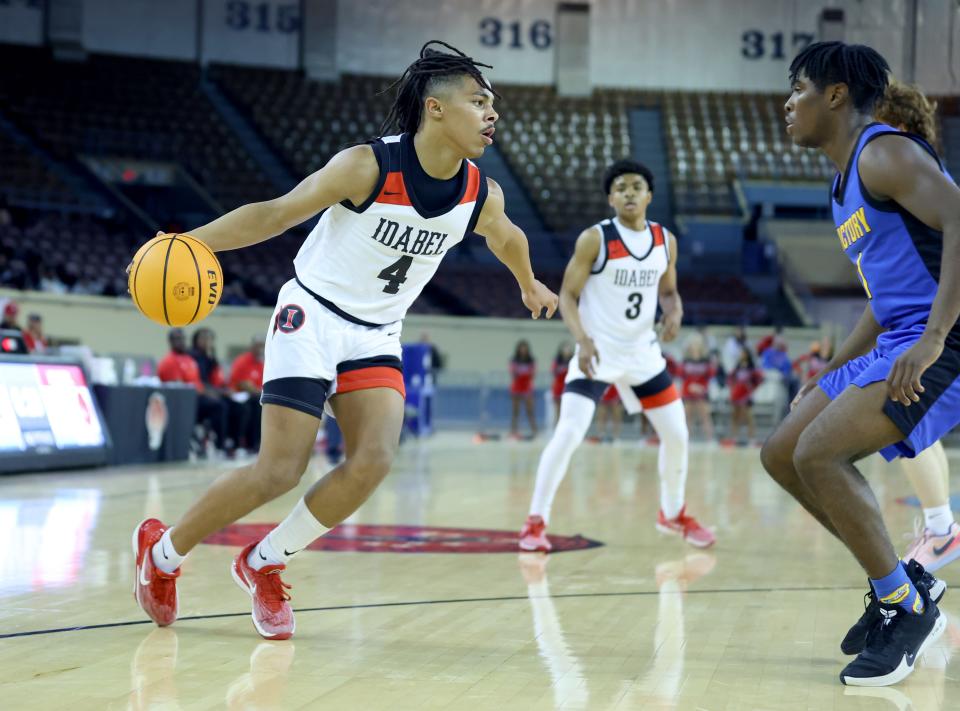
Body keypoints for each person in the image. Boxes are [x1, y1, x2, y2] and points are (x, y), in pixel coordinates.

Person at [132, 41, 558, 640]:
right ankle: (162, 553)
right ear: (435, 109)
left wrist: (529, 282)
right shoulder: (366, 166)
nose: (492, 114)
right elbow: (277, 213)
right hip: (313, 313)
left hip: (378, 332)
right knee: (279, 469)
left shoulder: (479, 194)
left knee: (374, 459)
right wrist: (187, 242)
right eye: (478, 100)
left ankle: (265, 561)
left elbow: (507, 237)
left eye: (492, 104)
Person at [762, 41, 958, 686]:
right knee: (783, 450)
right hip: (894, 334)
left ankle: (903, 608)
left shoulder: (885, 152)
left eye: (798, 90)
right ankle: (904, 585)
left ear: (836, 94)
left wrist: (932, 340)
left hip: (941, 337)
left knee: (819, 453)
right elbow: (881, 299)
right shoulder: (845, 181)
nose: (789, 104)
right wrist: (826, 374)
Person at [519, 159, 714, 553]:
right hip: (599, 351)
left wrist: (674, 311)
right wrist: (583, 340)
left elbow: (669, 291)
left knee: (677, 434)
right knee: (569, 433)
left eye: (636, 186)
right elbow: (569, 296)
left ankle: (672, 513)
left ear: (649, 195)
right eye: (621, 187)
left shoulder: (665, 240)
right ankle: (535, 521)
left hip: (643, 354)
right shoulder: (595, 239)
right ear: (611, 198)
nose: (629, 192)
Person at [875, 80, 959, 573]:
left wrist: (931, 335)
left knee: (897, 415)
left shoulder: (908, 171)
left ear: (900, 128)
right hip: (930, 324)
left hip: (943, 327)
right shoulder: (920, 174)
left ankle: (944, 531)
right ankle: (941, 527)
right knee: (914, 424)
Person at [157, 328, 229, 454]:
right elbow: (179, 389)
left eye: (183, 339)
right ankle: (219, 445)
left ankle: (223, 442)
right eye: (178, 339)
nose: (182, 342)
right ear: (170, 342)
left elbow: (198, 383)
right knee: (218, 407)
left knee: (224, 403)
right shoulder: (169, 362)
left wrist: (211, 392)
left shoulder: (189, 360)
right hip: (184, 403)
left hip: (197, 398)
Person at [229, 335, 266, 452]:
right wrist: (258, 391)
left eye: (262, 346)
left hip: (254, 397)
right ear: (252, 346)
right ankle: (240, 443)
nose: (260, 349)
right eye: (258, 346)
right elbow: (242, 384)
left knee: (261, 406)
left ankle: (256, 444)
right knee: (249, 408)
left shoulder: (261, 364)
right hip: (238, 397)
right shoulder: (242, 361)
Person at [679, 333, 715, 441]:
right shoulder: (685, 360)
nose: (694, 346)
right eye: (692, 343)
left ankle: (710, 440)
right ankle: (685, 440)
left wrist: (700, 387)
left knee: (705, 417)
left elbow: (710, 377)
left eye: (696, 343)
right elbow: (682, 377)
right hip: (688, 392)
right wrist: (690, 386)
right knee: (687, 417)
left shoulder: (706, 361)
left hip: (702, 392)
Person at [728, 346, 762, 444]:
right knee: (735, 416)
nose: (741, 355)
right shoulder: (737, 367)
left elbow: (759, 379)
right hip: (737, 393)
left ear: (747, 354)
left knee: (749, 417)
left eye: (742, 353)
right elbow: (730, 378)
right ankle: (734, 437)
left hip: (747, 394)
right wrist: (733, 387)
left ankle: (752, 438)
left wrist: (751, 387)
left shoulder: (752, 368)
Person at [509, 339, 537, 438]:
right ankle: (513, 431)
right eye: (521, 348)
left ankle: (534, 431)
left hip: (527, 387)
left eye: (524, 348)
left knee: (530, 410)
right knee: (515, 411)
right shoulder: (514, 360)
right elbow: (513, 373)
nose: (523, 350)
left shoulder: (531, 360)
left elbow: (533, 374)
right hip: (516, 387)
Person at [550, 342, 574, 426]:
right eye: (565, 348)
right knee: (558, 409)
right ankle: (557, 427)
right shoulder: (557, 361)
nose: (567, 351)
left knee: (569, 409)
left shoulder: (574, 361)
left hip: (570, 386)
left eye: (568, 349)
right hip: (559, 386)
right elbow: (553, 372)